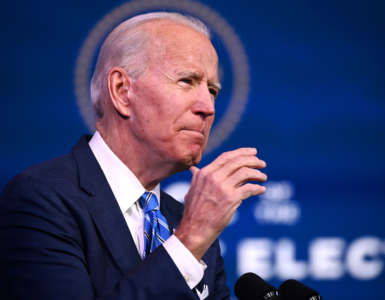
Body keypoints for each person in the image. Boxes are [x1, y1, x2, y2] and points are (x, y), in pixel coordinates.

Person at [0, 12, 267, 300]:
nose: (208, 106)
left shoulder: (183, 220)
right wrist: (188, 242)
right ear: (121, 90)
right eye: (187, 81)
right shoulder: (41, 199)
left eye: (212, 90)